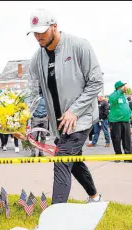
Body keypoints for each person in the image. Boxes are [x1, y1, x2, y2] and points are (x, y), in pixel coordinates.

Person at [27, 8, 102, 204]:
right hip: (59, 123)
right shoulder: (37, 59)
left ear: (54, 27)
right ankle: (95, 197)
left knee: (61, 161)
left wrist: (74, 111)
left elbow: (96, 83)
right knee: (73, 161)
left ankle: (54, 217)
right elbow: (32, 93)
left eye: (42, 32)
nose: (38, 37)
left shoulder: (79, 46)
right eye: (34, 32)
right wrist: (17, 121)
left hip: (81, 118)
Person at [108, 81, 132, 163]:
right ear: (118, 87)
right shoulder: (114, 95)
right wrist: (120, 91)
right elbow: (112, 99)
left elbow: (126, 107)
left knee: (127, 139)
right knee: (116, 139)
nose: (125, 87)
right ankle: (118, 155)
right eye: (123, 86)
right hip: (115, 121)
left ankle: (128, 157)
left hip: (125, 121)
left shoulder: (124, 96)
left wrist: (131, 113)